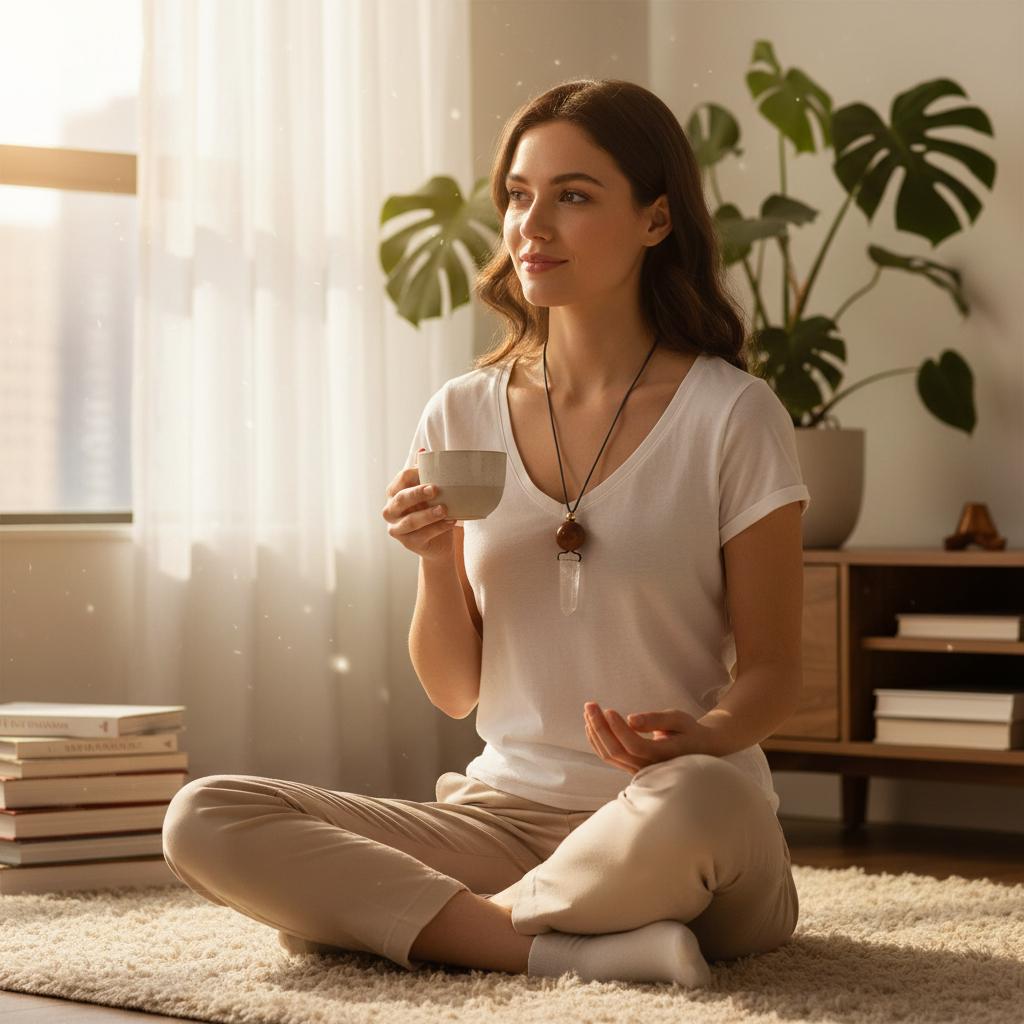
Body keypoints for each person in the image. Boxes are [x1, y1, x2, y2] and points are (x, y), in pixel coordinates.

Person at [161, 78, 809, 987]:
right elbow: (455, 689)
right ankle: (554, 946)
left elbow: (778, 671)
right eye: (517, 195)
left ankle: (421, 927)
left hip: (679, 818)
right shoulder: (461, 413)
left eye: (573, 196)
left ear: (656, 221)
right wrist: (436, 562)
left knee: (705, 798)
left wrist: (707, 737)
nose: (530, 225)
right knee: (206, 814)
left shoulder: (733, 415)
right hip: (502, 822)